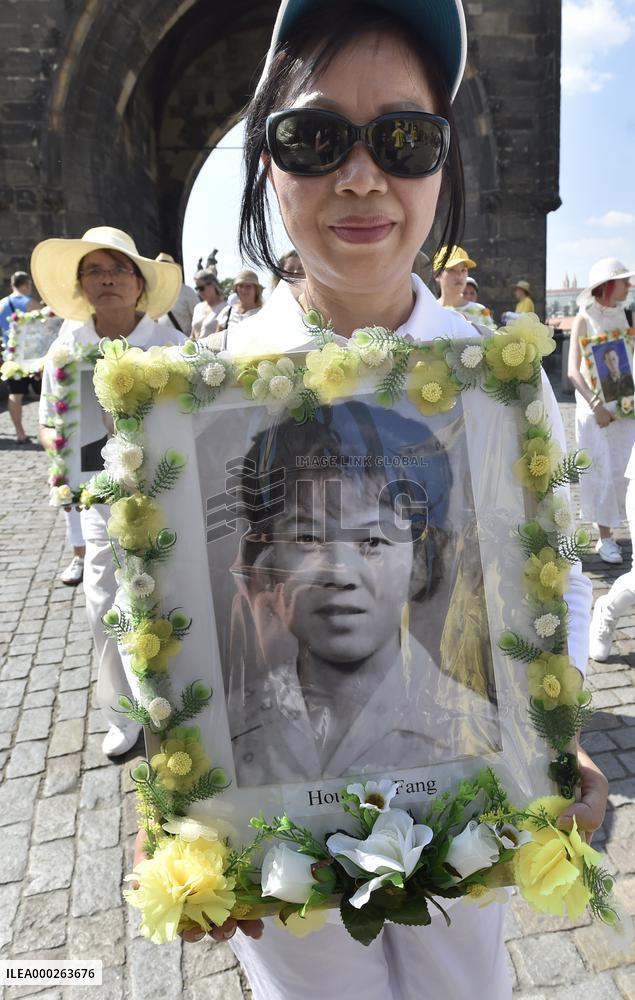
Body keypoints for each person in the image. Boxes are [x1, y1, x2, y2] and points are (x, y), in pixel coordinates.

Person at [135, 2, 607, 995]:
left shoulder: (502, 385)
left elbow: (547, 574)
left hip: (460, 824)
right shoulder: (195, 401)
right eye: (313, 139)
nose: (360, 176)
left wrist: (548, 734)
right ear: (266, 162)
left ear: (443, 164)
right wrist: (184, 809)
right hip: (278, 842)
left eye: (403, 138)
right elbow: (153, 606)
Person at [226, 403, 500, 786]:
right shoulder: (225, 730)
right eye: (307, 537)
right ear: (269, 558)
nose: (340, 572)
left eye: (373, 540)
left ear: (419, 561)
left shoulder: (477, 733)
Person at [33, 226, 184, 757]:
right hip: (100, 502)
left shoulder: (171, 346)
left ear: (138, 284)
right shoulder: (66, 350)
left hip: (167, 500)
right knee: (103, 605)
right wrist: (73, 512)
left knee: (172, 601)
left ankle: (181, 704)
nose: (107, 279)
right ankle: (125, 716)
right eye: (94, 270)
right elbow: (56, 430)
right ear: (81, 285)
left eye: (118, 269)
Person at [568, 257, 635, 564]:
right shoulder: (584, 317)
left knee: (625, 470)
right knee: (601, 470)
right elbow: (573, 370)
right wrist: (597, 406)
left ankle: (628, 528)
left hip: (625, 408)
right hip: (595, 411)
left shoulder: (628, 315)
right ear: (609, 285)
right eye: (625, 281)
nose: (629, 286)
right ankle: (605, 537)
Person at [0, 271, 40, 443]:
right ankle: (46, 428)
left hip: (11, 357)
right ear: (25, 285)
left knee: (15, 393)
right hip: (33, 356)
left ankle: (20, 433)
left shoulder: (1, 304)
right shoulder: (32, 303)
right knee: (44, 393)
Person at [433, 245, 495, 331]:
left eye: (463, 270)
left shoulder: (480, 312)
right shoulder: (429, 312)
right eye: (451, 270)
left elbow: (494, 343)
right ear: (437, 274)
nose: (459, 275)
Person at [155, 253, 199, 337]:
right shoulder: (156, 293)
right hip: (161, 346)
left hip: (183, 346)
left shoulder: (187, 292)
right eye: (160, 269)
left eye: (166, 269)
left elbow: (199, 321)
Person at [191, 269, 226, 339]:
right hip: (196, 349)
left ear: (212, 285)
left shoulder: (225, 308)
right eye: (197, 288)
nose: (199, 292)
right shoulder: (198, 307)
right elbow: (193, 336)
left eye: (201, 288)